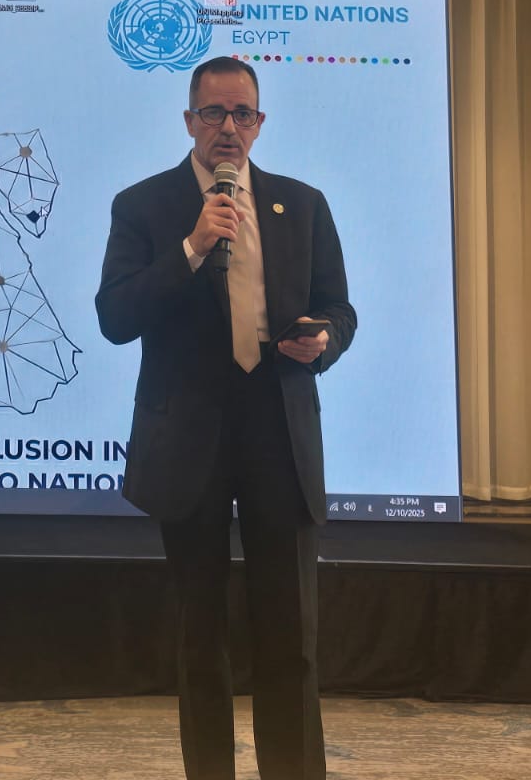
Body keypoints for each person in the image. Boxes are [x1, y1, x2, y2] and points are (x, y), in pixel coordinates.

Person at [96, 55, 355, 780]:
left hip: (279, 432)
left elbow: (339, 307)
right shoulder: (144, 205)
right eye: (214, 113)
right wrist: (192, 246)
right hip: (189, 441)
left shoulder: (303, 205)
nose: (229, 128)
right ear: (189, 121)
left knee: (291, 636)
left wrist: (324, 339)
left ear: (260, 122)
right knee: (199, 636)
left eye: (243, 113)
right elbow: (115, 317)